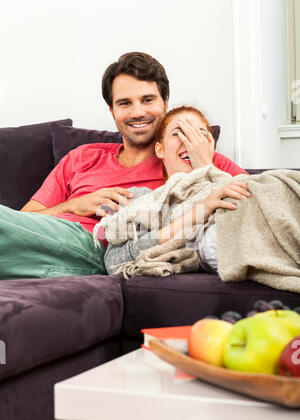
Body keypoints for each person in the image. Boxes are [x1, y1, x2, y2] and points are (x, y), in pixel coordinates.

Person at [0, 52, 246, 280]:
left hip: (98, 245)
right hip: (45, 241)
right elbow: (22, 222)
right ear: (112, 110)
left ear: (165, 103)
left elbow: (256, 202)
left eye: (147, 100)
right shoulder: (82, 157)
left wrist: (203, 166)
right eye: (125, 103)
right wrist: (76, 205)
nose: (137, 112)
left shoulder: (186, 156)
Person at [104, 106, 251, 275]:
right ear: (160, 149)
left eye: (199, 134)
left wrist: (206, 167)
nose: (190, 141)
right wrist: (196, 214)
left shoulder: (230, 184)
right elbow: (113, 262)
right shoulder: (142, 199)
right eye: (178, 133)